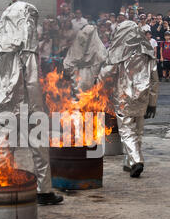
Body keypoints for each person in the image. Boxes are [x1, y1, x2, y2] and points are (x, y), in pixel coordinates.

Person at [0, 1, 64, 205]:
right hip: (28, 103)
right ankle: (43, 190)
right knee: (38, 143)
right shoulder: (26, 49)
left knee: (4, 142)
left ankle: (2, 187)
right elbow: (31, 81)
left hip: (2, 100)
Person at [98, 19, 159, 178]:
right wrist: (152, 103)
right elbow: (154, 78)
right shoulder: (148, 51)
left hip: (124, 97)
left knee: (126, 131)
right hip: (143, 96)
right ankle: (129, 162)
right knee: (138, 130)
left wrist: (96, 83)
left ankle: (137, 160)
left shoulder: (119, 51)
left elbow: (107, 73)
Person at [63, 24, 107, 96]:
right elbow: (69, 63)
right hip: (78, 84)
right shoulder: (79, 45)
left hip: (92, 87)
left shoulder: (100, 50)